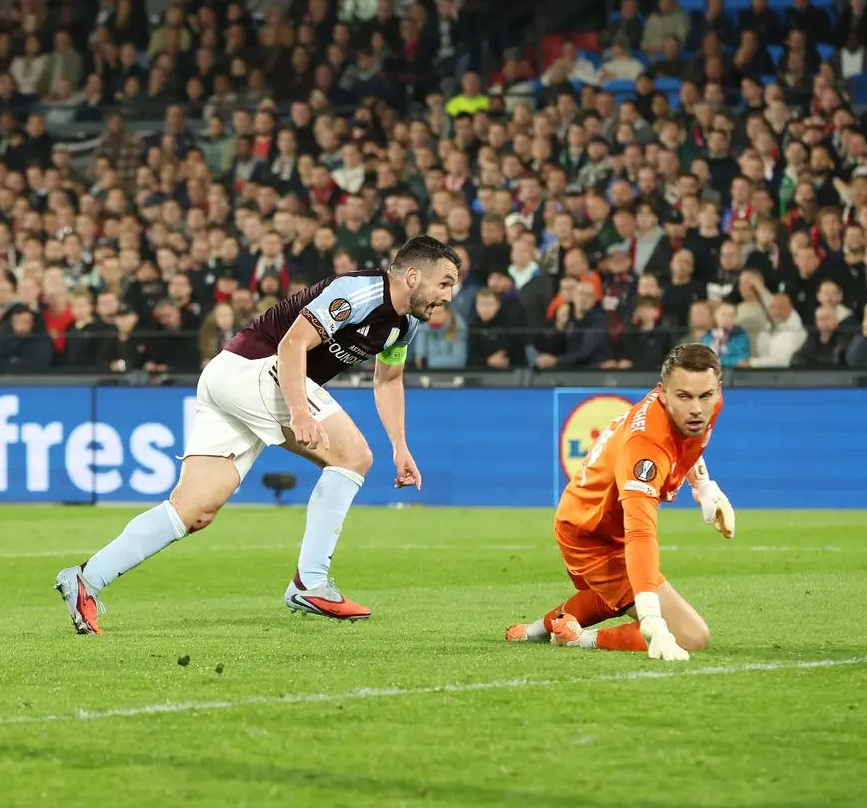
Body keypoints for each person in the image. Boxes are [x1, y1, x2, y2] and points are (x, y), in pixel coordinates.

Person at [55, 235, 460, 634]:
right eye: (444, 282)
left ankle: (86, 580)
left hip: (228, 377)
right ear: (411, 276)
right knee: (353, 457)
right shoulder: (359, 291)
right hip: (256, 368)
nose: (449, 294)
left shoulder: (404, 325)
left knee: (194, 511)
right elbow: (292, 344)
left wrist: (400, 446)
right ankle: (310, 582)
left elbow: (388, 382)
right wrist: (300, 411)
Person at [505, 344, 736, 660]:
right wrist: (653, 621)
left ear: (717, 389)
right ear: (663, 394)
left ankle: (542, 628)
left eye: (705, 396)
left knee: (618, 593)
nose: (697, 408)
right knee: (691, 636)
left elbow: (688, 443)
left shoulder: (706, 406)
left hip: (603, 518)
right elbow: (640, 535)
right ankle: (579, 639)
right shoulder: (644, 446)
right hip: (588, 531)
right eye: (684, 397)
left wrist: (706, 487)